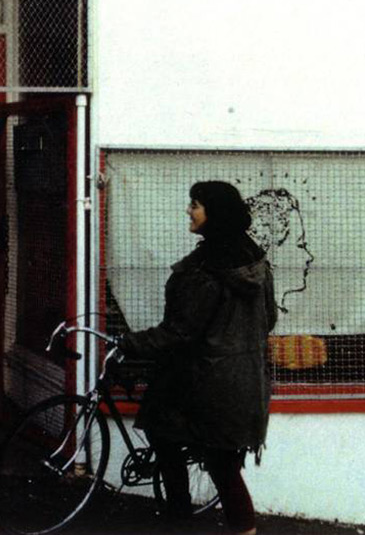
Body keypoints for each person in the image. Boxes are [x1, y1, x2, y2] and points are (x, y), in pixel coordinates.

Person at [119, 180, 277, 535]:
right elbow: (269, 318)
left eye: (195, 205)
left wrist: (128, 342)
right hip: (243, 381)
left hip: (203, 382)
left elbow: (180, 332)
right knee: (222, 466)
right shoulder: (256, 260)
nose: (188, 211)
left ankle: (179, 520)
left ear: (214, 214)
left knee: (166, 435)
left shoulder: (204, 270)